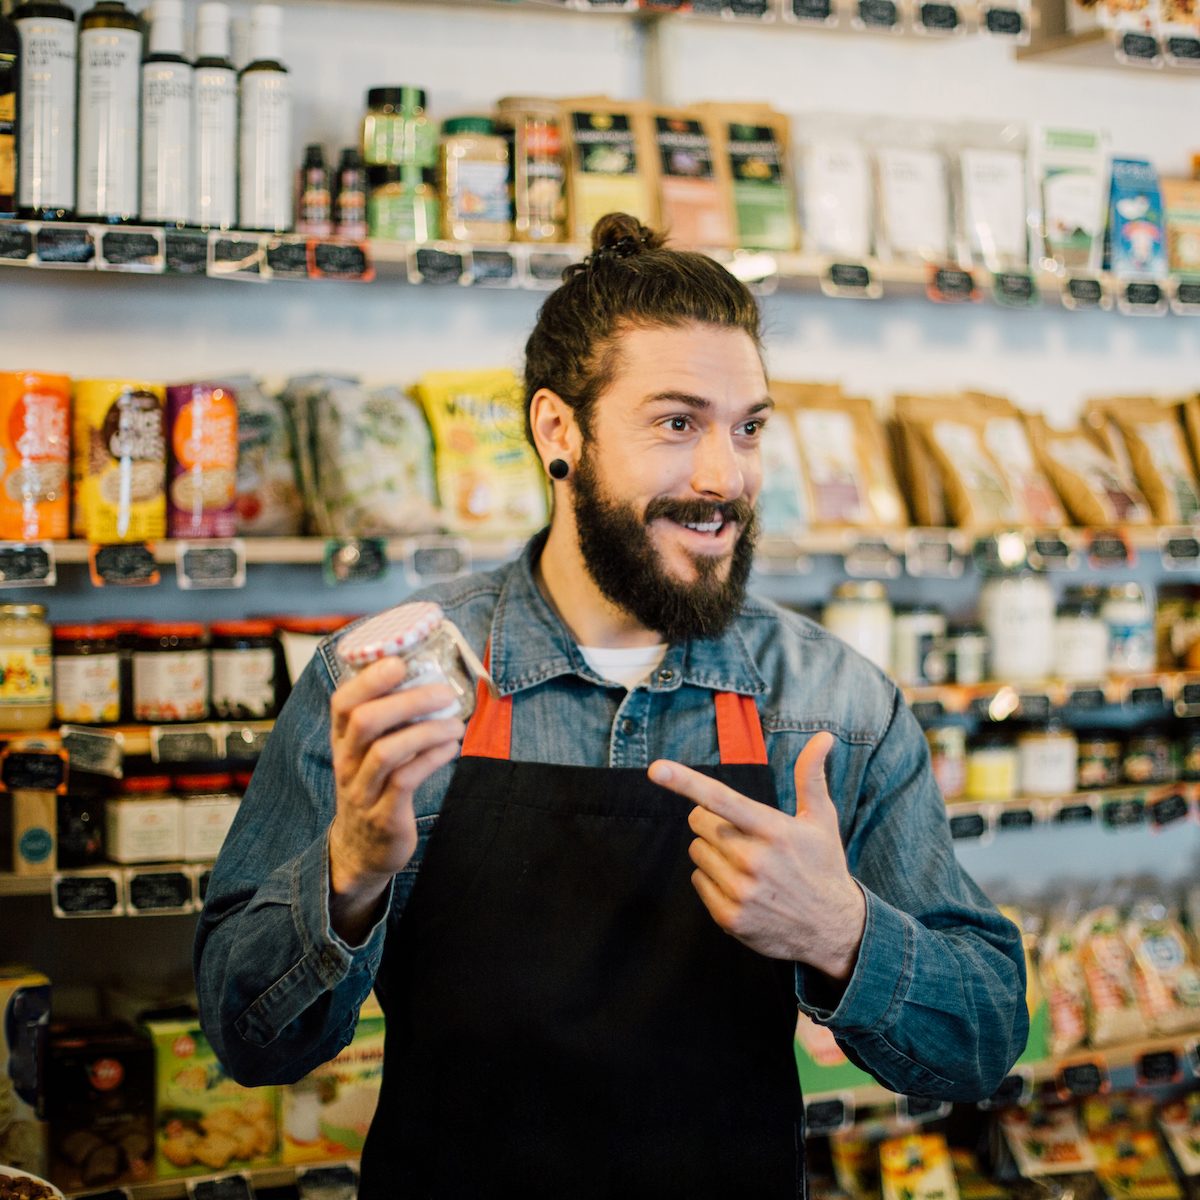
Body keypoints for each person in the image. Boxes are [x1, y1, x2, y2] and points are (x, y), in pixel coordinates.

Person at [195, 212, 1028, 1198]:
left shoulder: (832, 706)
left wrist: (841, 932)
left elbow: (982, 1042)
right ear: (561, 431)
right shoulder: (384, 685)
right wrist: (350, 874)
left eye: (749, 427)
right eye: (678, 423)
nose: (725, 477)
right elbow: (248, 1041)